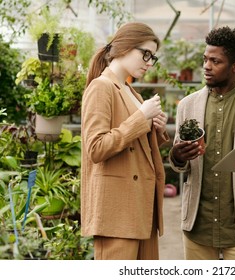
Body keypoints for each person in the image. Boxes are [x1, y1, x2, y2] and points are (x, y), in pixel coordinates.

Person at [169, 26, 235, 260]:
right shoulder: (187, 105)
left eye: (215, 61)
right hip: (198, 225)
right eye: (205, 59)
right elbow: (180, 162)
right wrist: (178, 156)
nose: (206, 66)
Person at [81, 22, 169, 260]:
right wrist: (141, 117)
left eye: (153, 57)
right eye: (146, 54)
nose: (150, 62)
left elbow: (135, 149)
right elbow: (96, 148)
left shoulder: (132, 92)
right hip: (117, 212)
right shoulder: (101, 87)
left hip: (141, 208)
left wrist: (155, 129)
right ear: (124, 47)